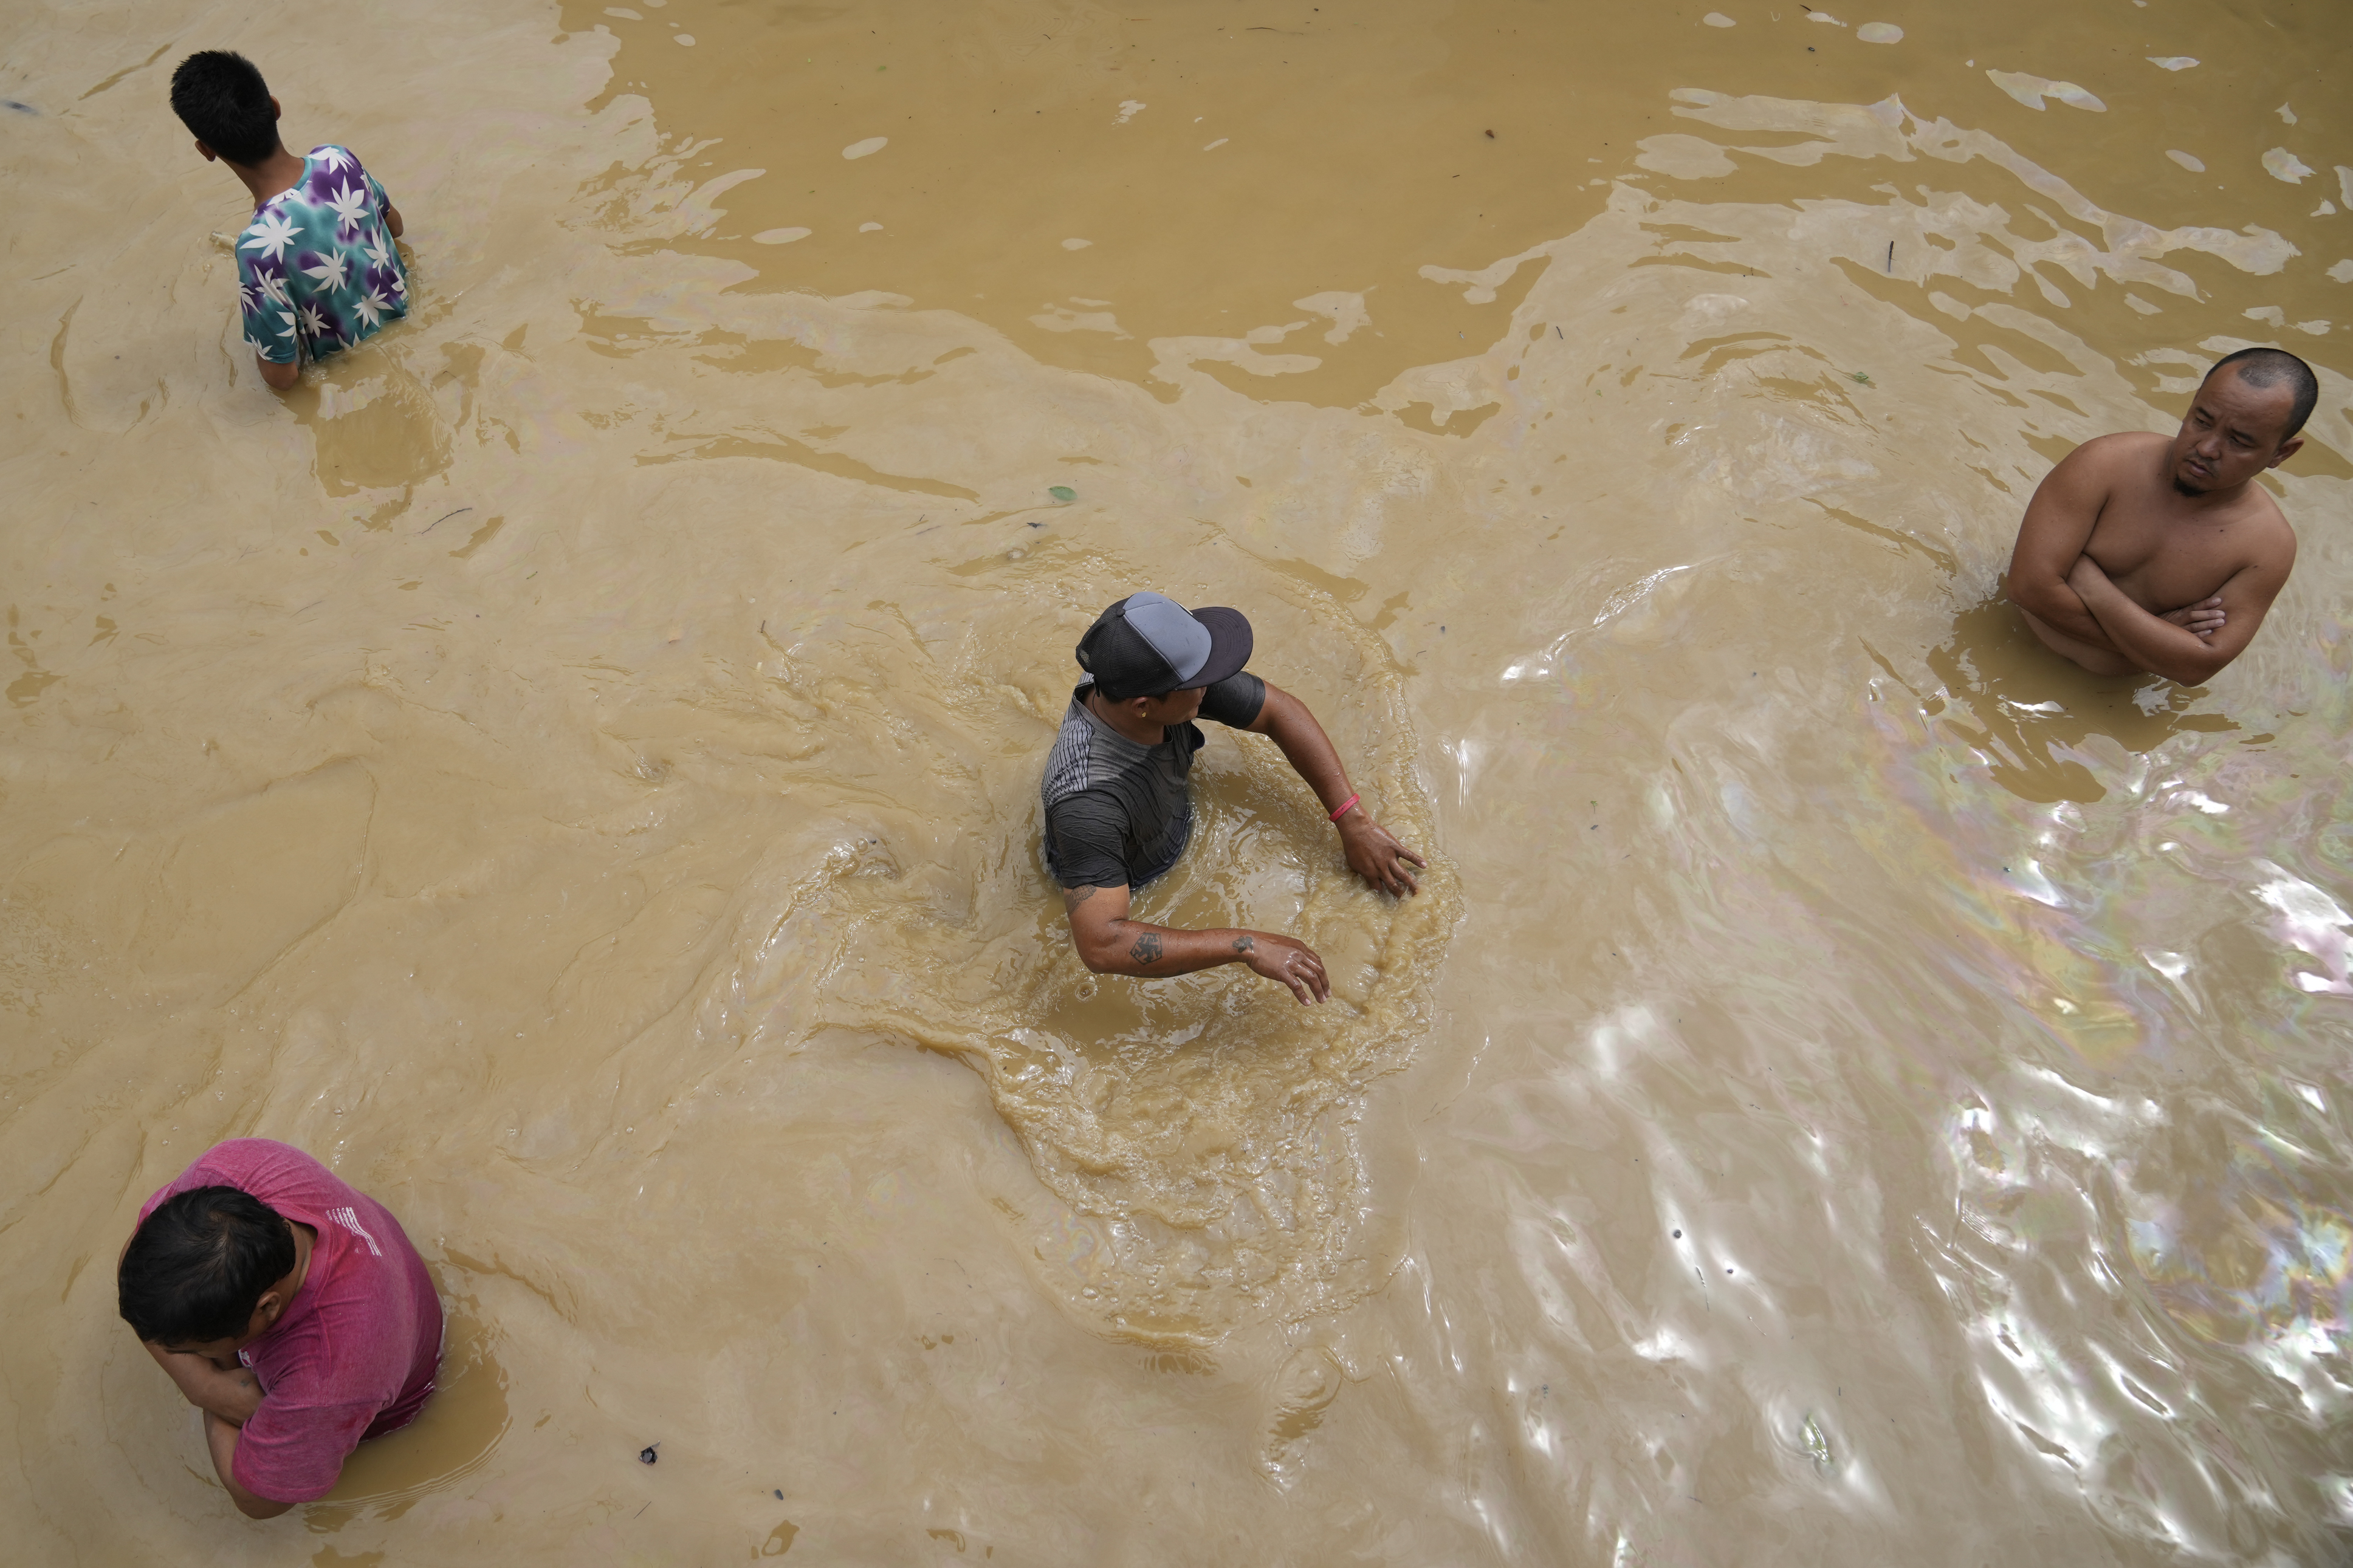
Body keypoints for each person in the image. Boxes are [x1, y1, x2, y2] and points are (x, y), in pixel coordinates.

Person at [1042, 591, 1425, 1004]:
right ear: (1144, 707)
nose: (1211, 685)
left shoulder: (1141, 682)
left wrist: (1353, 820)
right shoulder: (1086, 805)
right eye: (1199, 681)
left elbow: (1279, 711)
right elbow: (1102, 943)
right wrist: (1245, 945)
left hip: (1158, 814)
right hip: (1133, 873)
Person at [117, 1139, 442, 1519]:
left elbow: (257, 1500)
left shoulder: (326, 1379)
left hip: (375, 1396)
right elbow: (133, 1255)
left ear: (268, 1307)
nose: (173, 1356)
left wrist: (213, 1385)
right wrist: (205, 1386)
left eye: (191, 1350)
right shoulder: (233, 1169)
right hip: (386, 1289)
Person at [2005, 347, 2315, 685]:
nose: (2207, 448)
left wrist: (2091, 584)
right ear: (2193, 402)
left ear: (2282, 453)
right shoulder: (2106, 463)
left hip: (2110, 697)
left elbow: (2197, 667)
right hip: (2004, 639)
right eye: (2202, 421)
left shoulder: (2267, 547)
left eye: (2239, 441)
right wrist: (2159, 639)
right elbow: (2028, 588)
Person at [168, 51, 408, 391]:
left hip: (355, 379)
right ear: (275, 106)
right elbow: (395, 228)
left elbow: (282, 376)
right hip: (406, 320)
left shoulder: (258, 248)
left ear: (206, 150)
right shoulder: (337, 160)